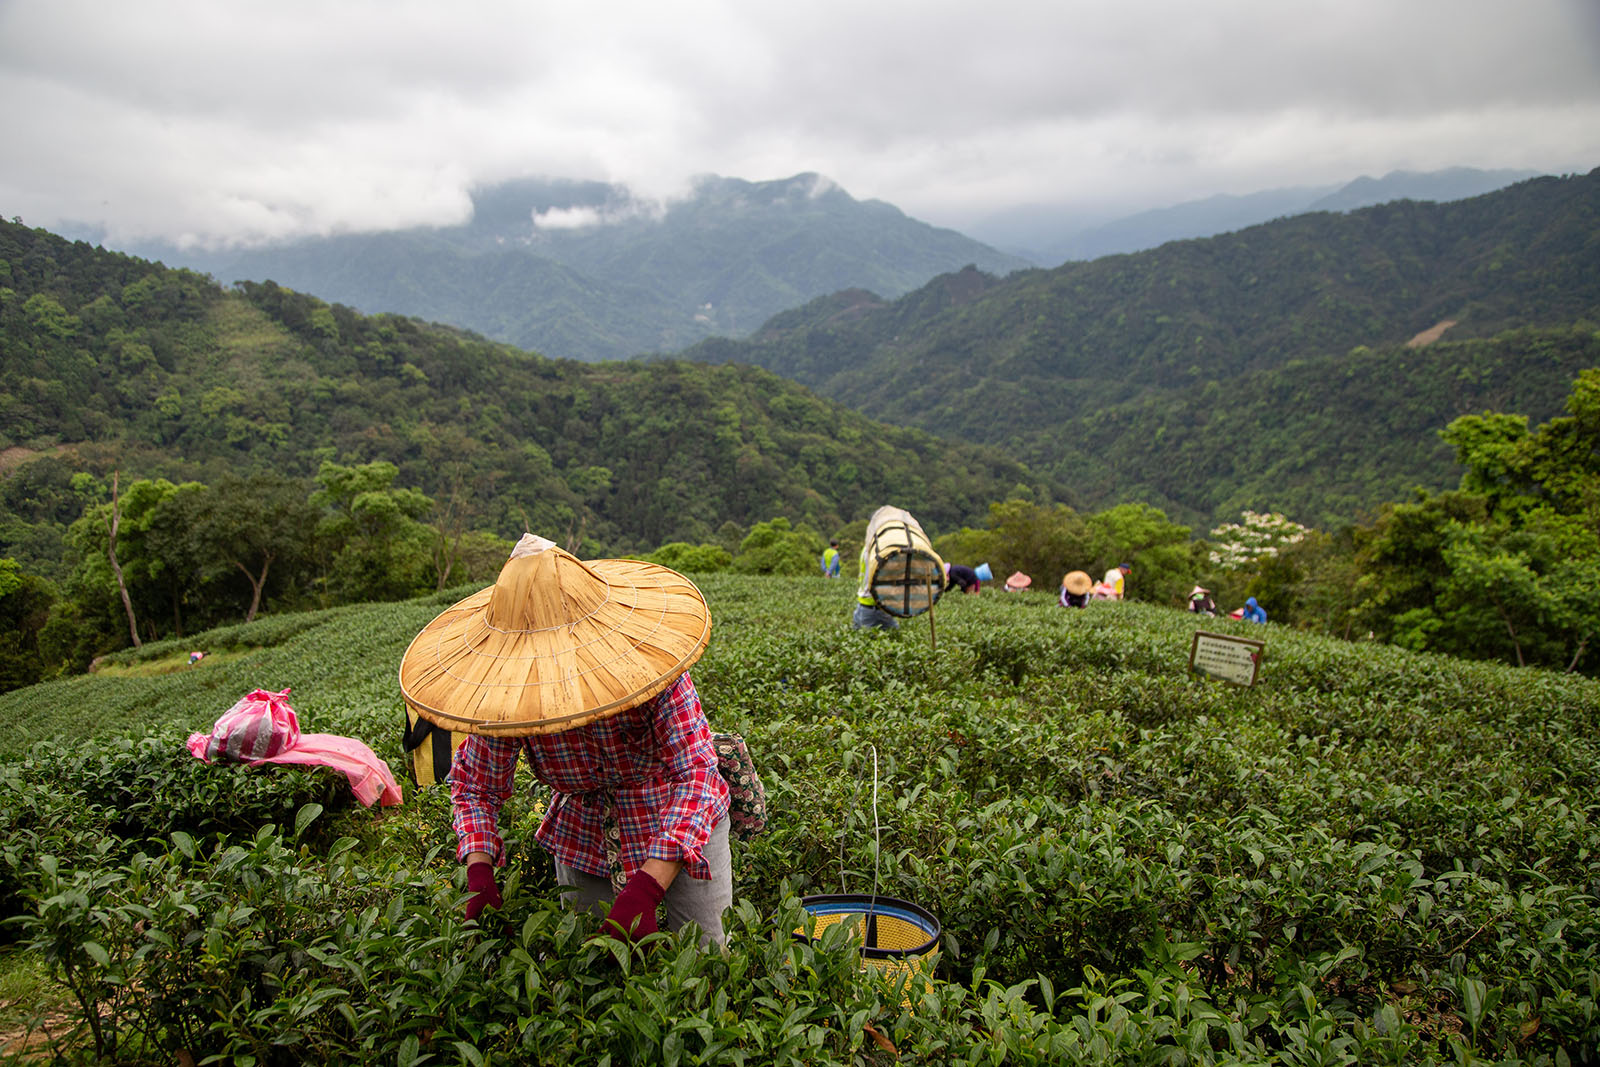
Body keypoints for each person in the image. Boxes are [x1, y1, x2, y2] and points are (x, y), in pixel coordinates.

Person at [398, 534, 733, 947]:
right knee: (591, 963)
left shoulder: (650, 666)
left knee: (704, 951)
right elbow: (476, 786)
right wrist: (479, 869)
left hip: (677, 815)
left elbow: (698, 776)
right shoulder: (509, 690)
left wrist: (647, 887)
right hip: (584, 831)